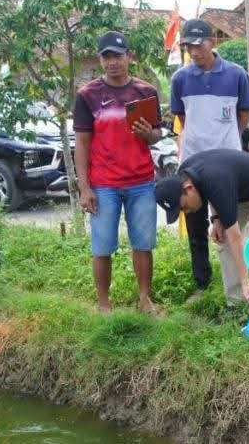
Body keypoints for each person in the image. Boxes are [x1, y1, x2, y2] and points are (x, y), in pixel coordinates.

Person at [73, 31, 165, 315]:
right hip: (104, 184)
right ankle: (103, 304)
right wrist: (84, 187)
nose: (113, 62)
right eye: (107, 57)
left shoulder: (145, 92)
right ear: (100, 59)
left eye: (118, 56)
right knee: (102, 246)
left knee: (143, 243)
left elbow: (157, 135)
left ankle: (144, 299)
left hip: (141, 182)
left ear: (129, 57)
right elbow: (82, 143)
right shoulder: (88, 95)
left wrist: (149, 133)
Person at [169, 19, 249, 291]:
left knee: (231, 225)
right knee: (196, 228)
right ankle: (202, 282)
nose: (194, 51)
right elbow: (183, 118)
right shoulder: (180, 79)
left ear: (212, 41)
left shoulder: (237, 74)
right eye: (188, 45)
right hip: (192, 163)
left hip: (228, 164)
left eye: (199, 44)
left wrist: (226, 140)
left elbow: (243, 116)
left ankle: (239, 283)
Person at [154, 147, 249, 304]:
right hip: (238, 191)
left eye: (184, 207)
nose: (187, 212)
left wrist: (245, 279)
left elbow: (235, 236)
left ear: (188, 189)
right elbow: (209, 190)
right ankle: (236, 302)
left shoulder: (216, 180)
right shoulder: (186, 173)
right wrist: (216, 218)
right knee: (222, 239)